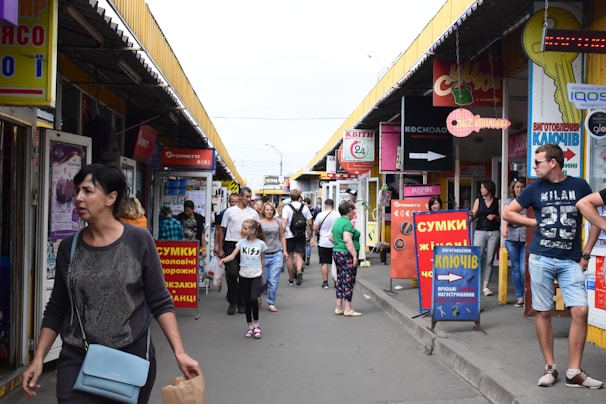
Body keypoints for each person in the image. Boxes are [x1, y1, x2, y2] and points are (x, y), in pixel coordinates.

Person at [21, 163, 201, 402]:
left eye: (88, 191)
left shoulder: (139, 240)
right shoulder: (69, 248)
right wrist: (38, 358)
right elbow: (57, 307)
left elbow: (160, 301)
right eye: (77, 191)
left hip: (130, 359)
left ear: (110, 198)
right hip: (78, 357)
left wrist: (180, 353)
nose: (79, 198)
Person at [502, 144, 602, 389]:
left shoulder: (580, 186)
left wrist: (586, 253)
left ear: (553, 162)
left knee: (580, 311)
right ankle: (550, 367)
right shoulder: (534, 189)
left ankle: (574, 371)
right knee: (543, 311)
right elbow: (508, 213)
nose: (534, 167)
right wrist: (533, 222)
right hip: (541, 258)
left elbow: (595, 221)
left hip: (571, 260)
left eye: (538, 162)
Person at [220, 219, 267, 339]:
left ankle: (257, 324)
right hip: (243, 274)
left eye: (245, 228)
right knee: (246, 301)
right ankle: (249, 326)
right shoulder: (241, 243)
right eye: (243, 228)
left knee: (253, 298)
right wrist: (224, 260)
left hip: (255, 274)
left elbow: (262, 260)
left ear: (253, 230)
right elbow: (232, 255)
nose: (243, 230)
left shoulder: (261, 244)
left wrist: (262, 273)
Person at [219, 187, 260, 315]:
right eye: (247, 196)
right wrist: (220, 247)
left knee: (243, 275)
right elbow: (221, 229)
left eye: (250, 197)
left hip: (247, 246)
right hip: (231, 244)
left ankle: (242, 303)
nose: (249, 199)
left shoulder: (253, 213)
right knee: (232, 273)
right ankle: (232, 301)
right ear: (240, 197)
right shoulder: (229, 212)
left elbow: (258, 231)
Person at [331, 200, 362, 316]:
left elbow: (330, 237)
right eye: (353, 209)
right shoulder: (347, 223)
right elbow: (347, 239)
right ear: (349, 211)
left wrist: (338, 244)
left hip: (337, 252)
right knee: (349, 280)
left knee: (340, 279)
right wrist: (354, 255)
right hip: (346, 254)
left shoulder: (337, 222)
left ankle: (339, 306)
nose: (354, 212)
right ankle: (348, 308)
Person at [470, 179, 500, 296]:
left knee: (489, 259)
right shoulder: (478, 201)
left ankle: (485, 286)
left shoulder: (498, 201)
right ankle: (474, 284)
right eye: (481, 188)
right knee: (477, 258)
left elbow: (502, 217)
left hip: (494, 232)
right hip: (480, 231)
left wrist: (495, 216)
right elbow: (473, 217)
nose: (481, 190)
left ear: (489, 188)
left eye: (483, 187)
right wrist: (470, 215)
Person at [502, 177, 527, 307]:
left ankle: (527, 295)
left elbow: (529, 217)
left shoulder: (529, 202)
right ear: (513, 189)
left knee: (524, 268)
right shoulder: (509, 201)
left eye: (522, 187)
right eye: (517, 187)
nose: (519, 189)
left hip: (525, 238)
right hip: (512, 238)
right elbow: (506, 216)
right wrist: (506, 226)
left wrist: (516, 218)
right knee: (516, 269)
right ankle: (520, 296)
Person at [259, 202, 287, 312]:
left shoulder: (278, 222)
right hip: (264, 254)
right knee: (263, 280)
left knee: (273, 281)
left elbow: (282, 236)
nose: (269, 211)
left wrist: (284, 251)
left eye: (271, 210)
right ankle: (258, 295)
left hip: (277, 253)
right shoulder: (259, 223)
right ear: (264, 211)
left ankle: (271, 302)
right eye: (267, 210)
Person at [282, 189, 313, 286]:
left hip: (289, 235)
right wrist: (310, 232)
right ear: (300, 197)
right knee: (299, 256)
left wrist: (281, 234)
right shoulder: (305, 208)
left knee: (290, 257)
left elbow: (284, 223)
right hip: (301, 234)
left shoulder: (286, 208)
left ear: (290, 197)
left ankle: (291, 279)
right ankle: (299, 271)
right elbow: (310, 222)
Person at [311, 199, 339, 289]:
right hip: (335, 242)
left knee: (324, 262)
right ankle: (336, 280)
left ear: (324, 205)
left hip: (323, 242)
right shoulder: (338, 215)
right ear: (333, 205)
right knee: (336, 263)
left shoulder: (320, 215)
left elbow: (315, 228)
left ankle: (325, 282)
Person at [213, 193, 239, 257]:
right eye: (232, 202)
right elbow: (218, 230)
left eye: (236, 202)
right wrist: (217, 246)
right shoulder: (223, 213)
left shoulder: (242, 213)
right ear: (229, 202)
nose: (234, 204)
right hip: (226, 243)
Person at [303, 197, 313, 266]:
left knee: (302, 244)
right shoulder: (312, 209)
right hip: (309, 226)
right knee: (308, 244)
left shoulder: (303, 208)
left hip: (303, 226)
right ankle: (308, 257)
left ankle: (302, 258)